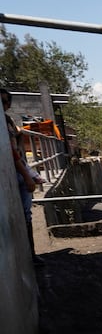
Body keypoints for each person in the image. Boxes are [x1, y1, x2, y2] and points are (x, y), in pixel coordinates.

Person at [3, 88, 43, 263]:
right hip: (15, 174)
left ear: (9, 104)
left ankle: (31, 255)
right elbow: (12, 153)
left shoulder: (8, 121)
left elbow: (15, 150)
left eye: (4, 101)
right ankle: (28, 256)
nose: (2, 105)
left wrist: (27, 174)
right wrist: (28, 176)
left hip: (19, 171)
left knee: (26, 214)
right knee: (23, 215)